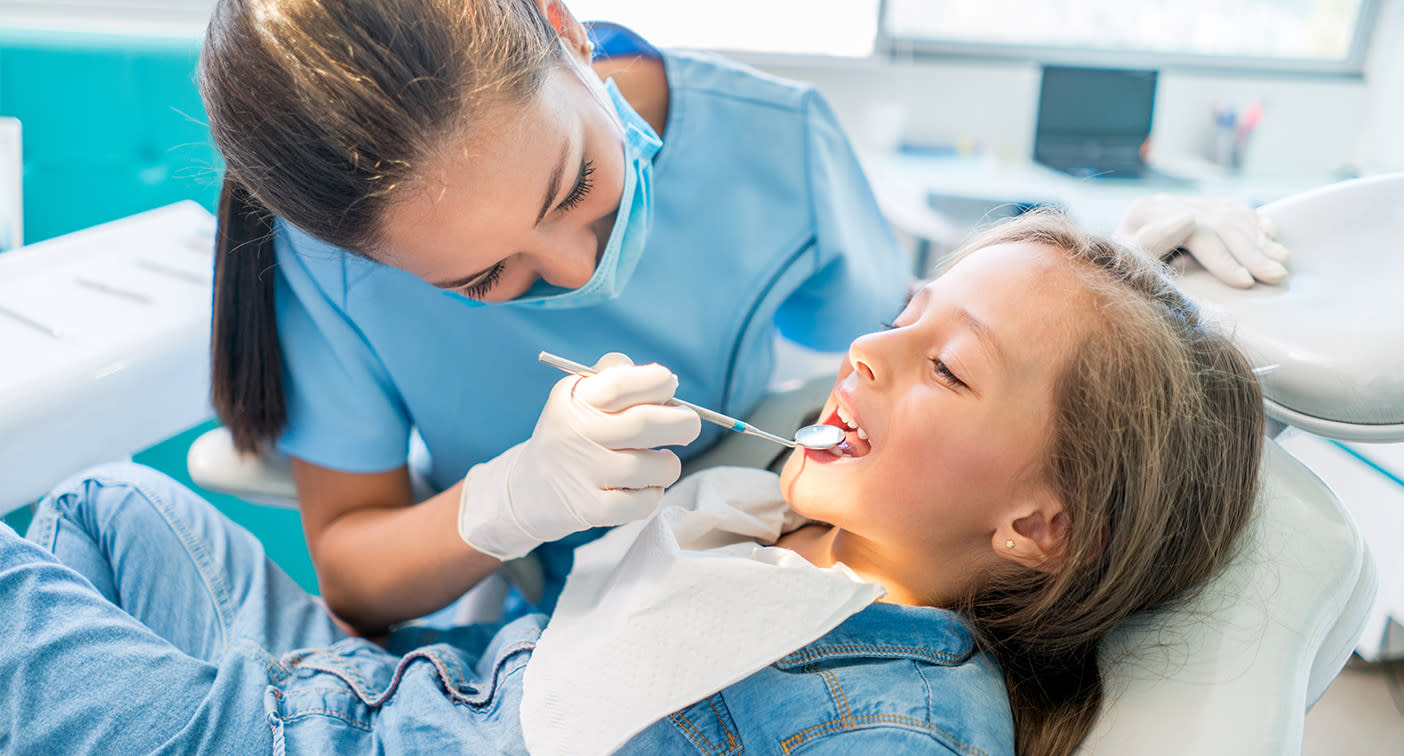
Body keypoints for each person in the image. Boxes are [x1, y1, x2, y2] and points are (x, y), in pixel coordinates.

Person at [197, 0, 1281, 635]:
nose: (579, 272)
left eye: (576, 186)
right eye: (484, 279)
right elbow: (353, 570)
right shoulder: (324, 263)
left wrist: (1128, 289)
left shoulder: (774, 142)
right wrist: (503, 503)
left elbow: (948, 353)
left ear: (570, 34)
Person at [2, 214, 1263, 756]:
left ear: (1039, 526)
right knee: (105, 504)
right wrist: (1101, 261)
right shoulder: (773, 526)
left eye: (940, 364)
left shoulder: (899, 724)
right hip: (379, 691)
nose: (867, 351)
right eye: (902, 313)